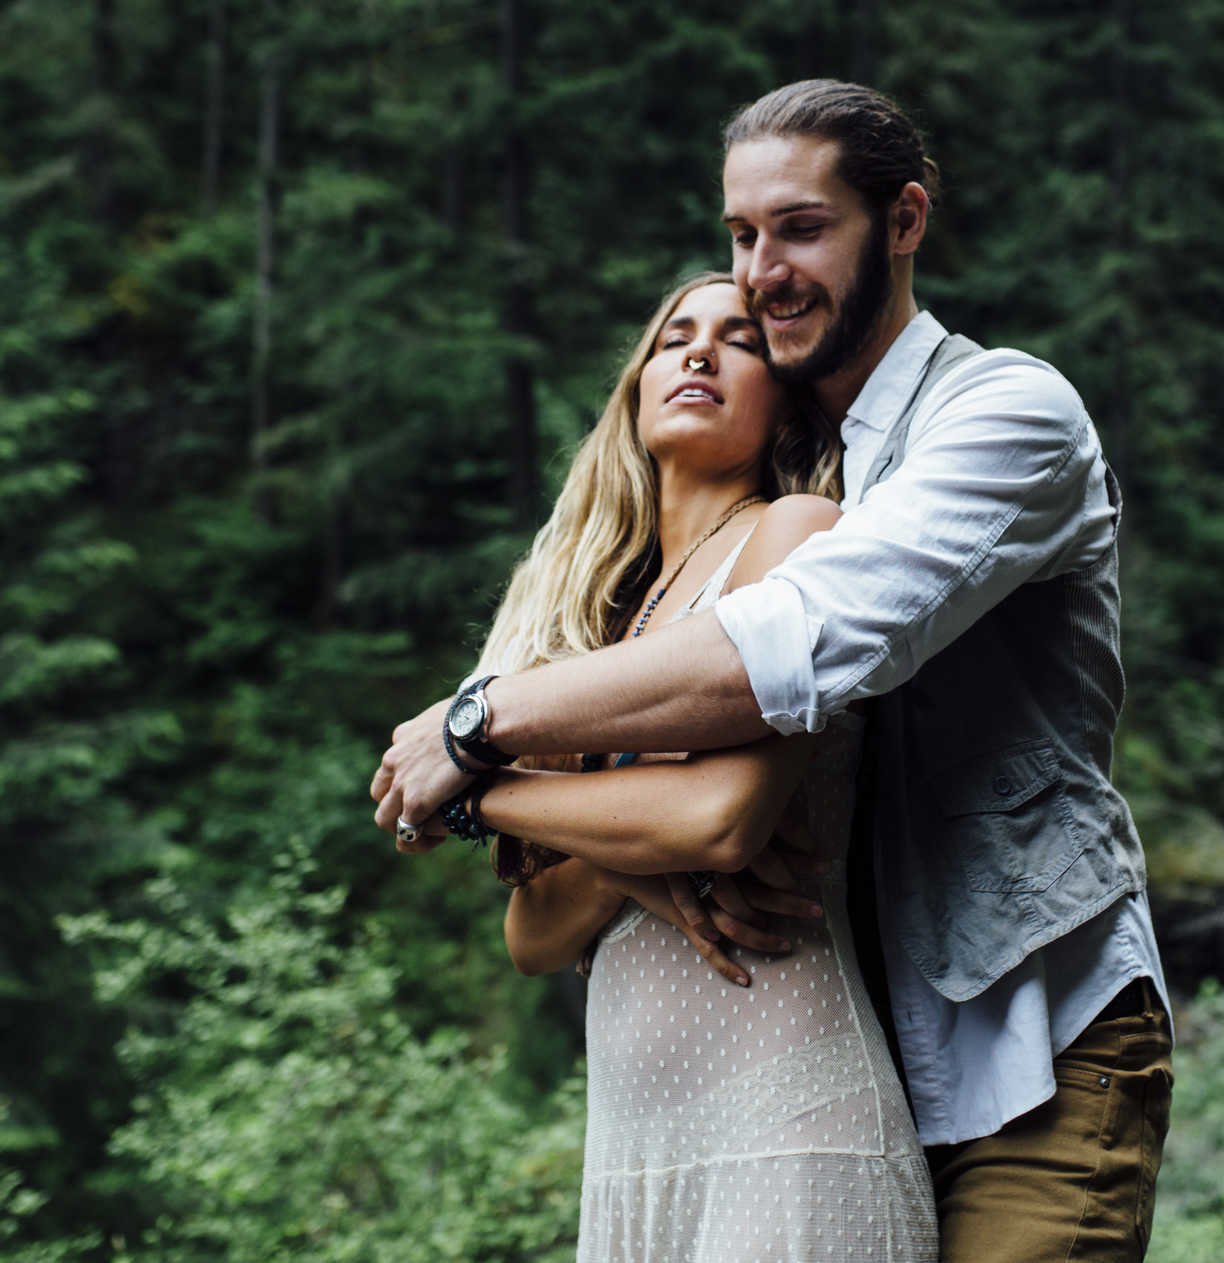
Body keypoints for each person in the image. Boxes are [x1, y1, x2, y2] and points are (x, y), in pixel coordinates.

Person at [375, 80, 1171, 1263]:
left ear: (903, 221)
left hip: (1025, 1045)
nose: (761, 271)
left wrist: (474, 727)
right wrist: (616, 853)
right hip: (845, 1039)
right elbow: (564, 904)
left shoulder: (1006, 412)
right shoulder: (786, 475)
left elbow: (792, 650)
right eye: (742, 235)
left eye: (801, 227)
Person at [447, 269, 937, 1263]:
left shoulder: (795, 533)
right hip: (630, 1160)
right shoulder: (596, 631)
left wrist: (485, 791)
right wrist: (630, 860)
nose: (699, 353)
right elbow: (533, 931)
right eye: (674, 336)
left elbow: (719, 823)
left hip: (794, 1119)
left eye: (741, 339)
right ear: (633, 389)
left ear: (789, 395)